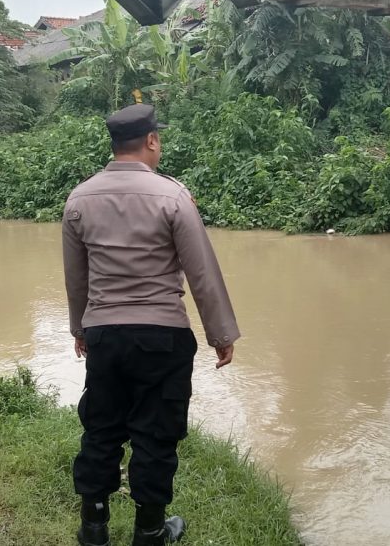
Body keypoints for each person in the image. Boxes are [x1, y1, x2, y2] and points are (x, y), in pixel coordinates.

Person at [62, 104, 240, 546]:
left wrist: (80, 330)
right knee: (156, 433)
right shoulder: (173, 197)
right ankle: (150, 531)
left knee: (101, 428)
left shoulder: (78, 199)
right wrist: (221, 335)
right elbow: (202, 272)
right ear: (152, 141)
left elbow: (75, 277)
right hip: (161, 335)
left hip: (104, 334)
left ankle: (94, 527)